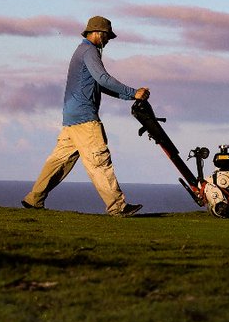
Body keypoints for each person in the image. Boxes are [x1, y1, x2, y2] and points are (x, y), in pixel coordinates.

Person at [22, 15, 150, 216]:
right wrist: (133, 92)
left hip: (71, 118)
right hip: (85, 119)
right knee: (99, 161)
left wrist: (129, 96)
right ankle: (118, 206)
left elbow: (99, 84)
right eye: (107, 36)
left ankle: (34, 198)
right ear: (99, 34)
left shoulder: (81, 51)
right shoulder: (89, 51)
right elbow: (103, 78)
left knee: (59, 161)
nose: (108, 41)